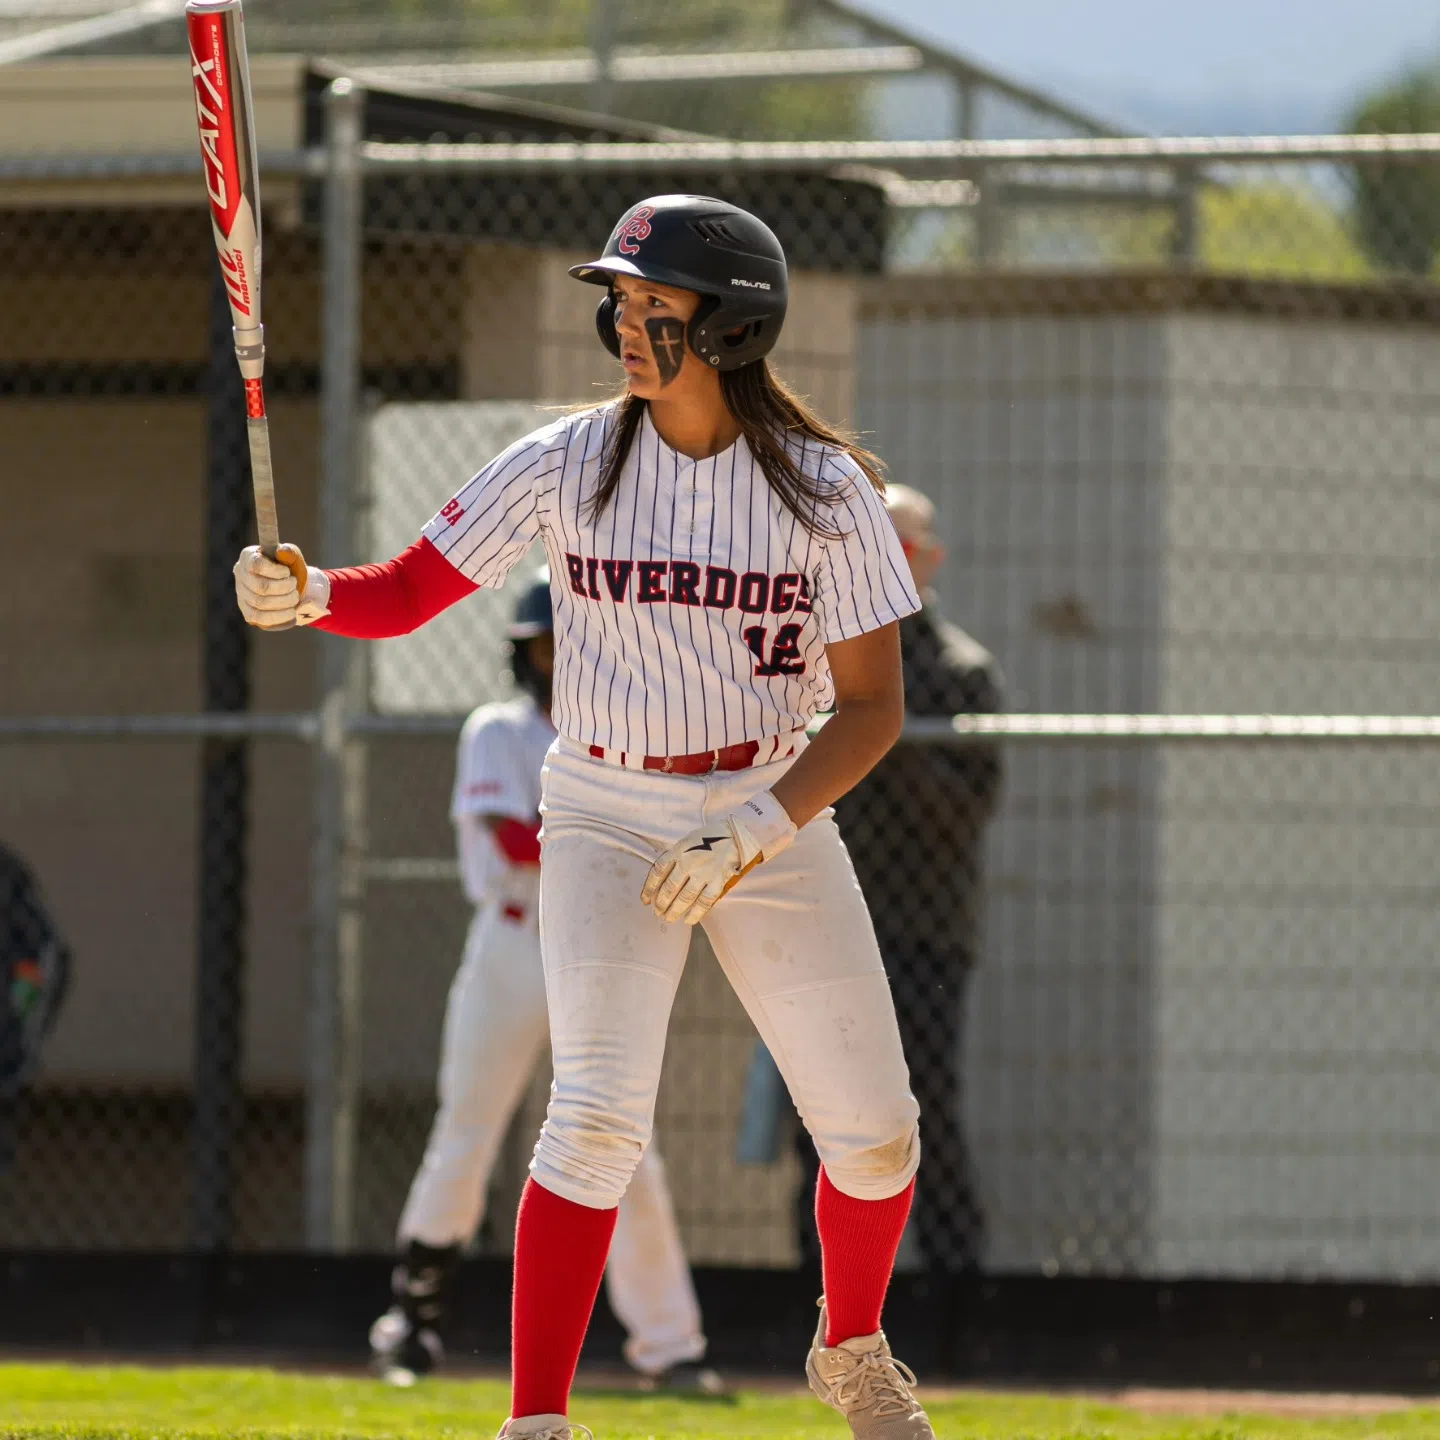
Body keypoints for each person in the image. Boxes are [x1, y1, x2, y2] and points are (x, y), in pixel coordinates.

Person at [235, 194, 933, 1440]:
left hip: (766, 803)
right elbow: (401, 595)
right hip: (607, 803)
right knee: (600, 1112)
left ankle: (853, 1346)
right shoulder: (567, 457)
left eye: (655, 305)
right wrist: (306, 596)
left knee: (877, 1135)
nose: (624, 322)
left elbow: (874, 709)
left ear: (730, 326)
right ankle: (538, 1423)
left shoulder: (827, 490)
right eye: (620, 299)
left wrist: (758, 826)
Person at [370, 575, 718, 1393]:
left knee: (627, 1145)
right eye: (544, 645)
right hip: (515, 944)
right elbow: (515, 839)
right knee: (469, 1129)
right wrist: (604, 841)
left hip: (600, 953)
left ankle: (671, 1347)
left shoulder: (636, 733)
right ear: (523, 655)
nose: (557, 659)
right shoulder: (499, 731)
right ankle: (413, 1323)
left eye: (570, 642)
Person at [795, 483, 1003, 1280]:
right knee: (809, 1122)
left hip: (924, 932)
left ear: (930, 561)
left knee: (921, 1113)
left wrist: (881, 721)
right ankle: (812, 1307)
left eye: (901, 549)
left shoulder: (960, 671)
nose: (882, 564)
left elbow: (966, 813)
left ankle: (954, 1311)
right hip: (820, 921)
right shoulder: (817, 655)